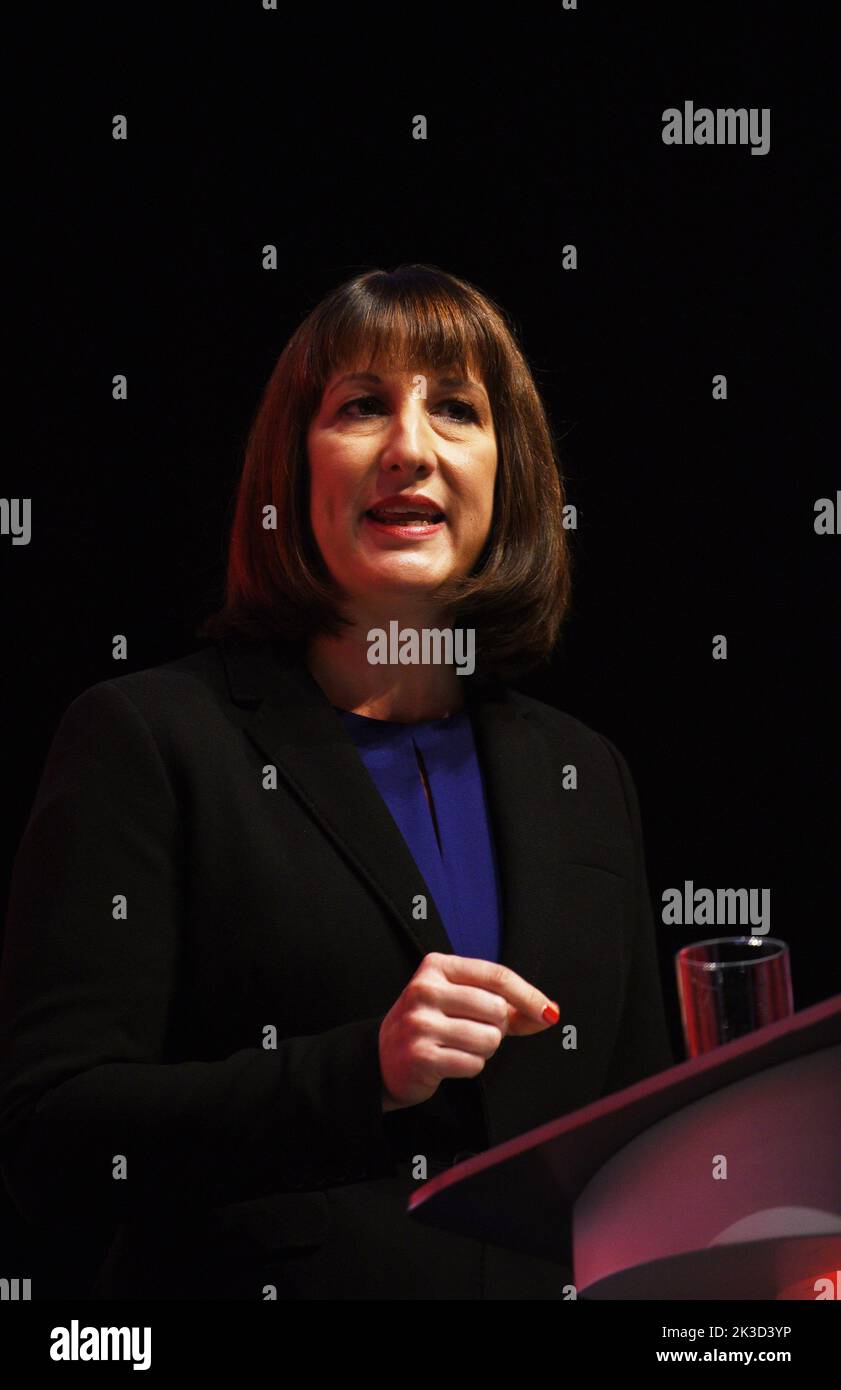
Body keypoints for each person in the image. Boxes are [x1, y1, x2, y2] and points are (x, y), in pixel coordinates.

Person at [0, 264, 674, 1300]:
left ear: (510, 474)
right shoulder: (149, 738)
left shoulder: (585, 772)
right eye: (362, 407)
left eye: (455, 409)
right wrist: (363, 1070)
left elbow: (637, 1154)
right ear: (290, 470)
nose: (410, 447)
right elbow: (51, 1131)